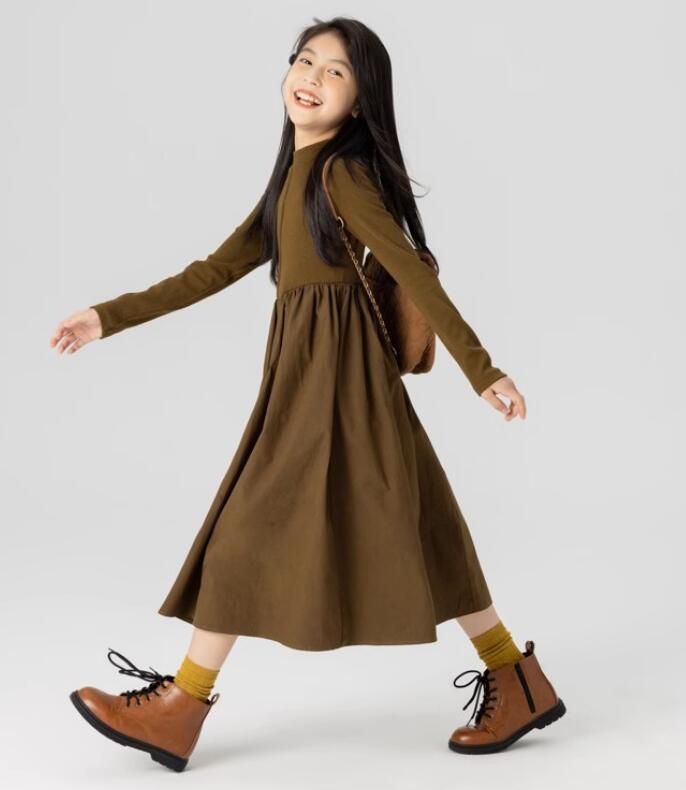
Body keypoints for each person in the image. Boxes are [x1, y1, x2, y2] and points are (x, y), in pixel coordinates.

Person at [52, 17, 565, 772]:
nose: (313, 77)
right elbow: (211, 271)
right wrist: (108, 316)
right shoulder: (291, 179)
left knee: (242, 532)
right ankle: (516, 680)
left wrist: (482, 369)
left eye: (336, 71)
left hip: (335, 380)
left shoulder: (341, 174)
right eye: (305, 60)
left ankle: (180, 708)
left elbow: (411, 270)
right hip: (314, 375)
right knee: (426, 524)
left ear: (361, 100)